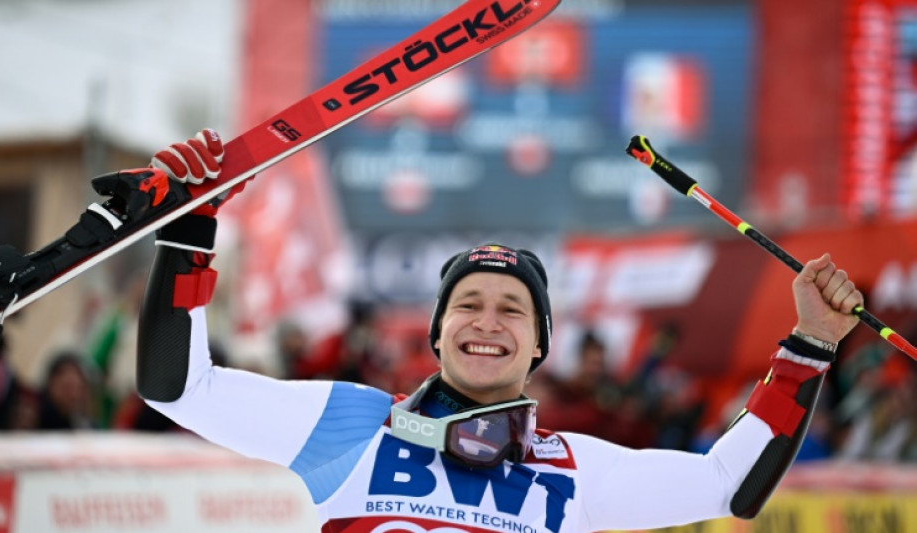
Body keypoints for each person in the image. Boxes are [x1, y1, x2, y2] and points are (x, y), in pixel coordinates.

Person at [131, 130, 863, 532]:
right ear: (437, 333)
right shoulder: (352, 422)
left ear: (540, 343)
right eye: (468, 305)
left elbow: (725, 483)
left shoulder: (574, 470)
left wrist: (811, 345)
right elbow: (180, 387)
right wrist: (190, 232)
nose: (487, 321)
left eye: (512, 309)